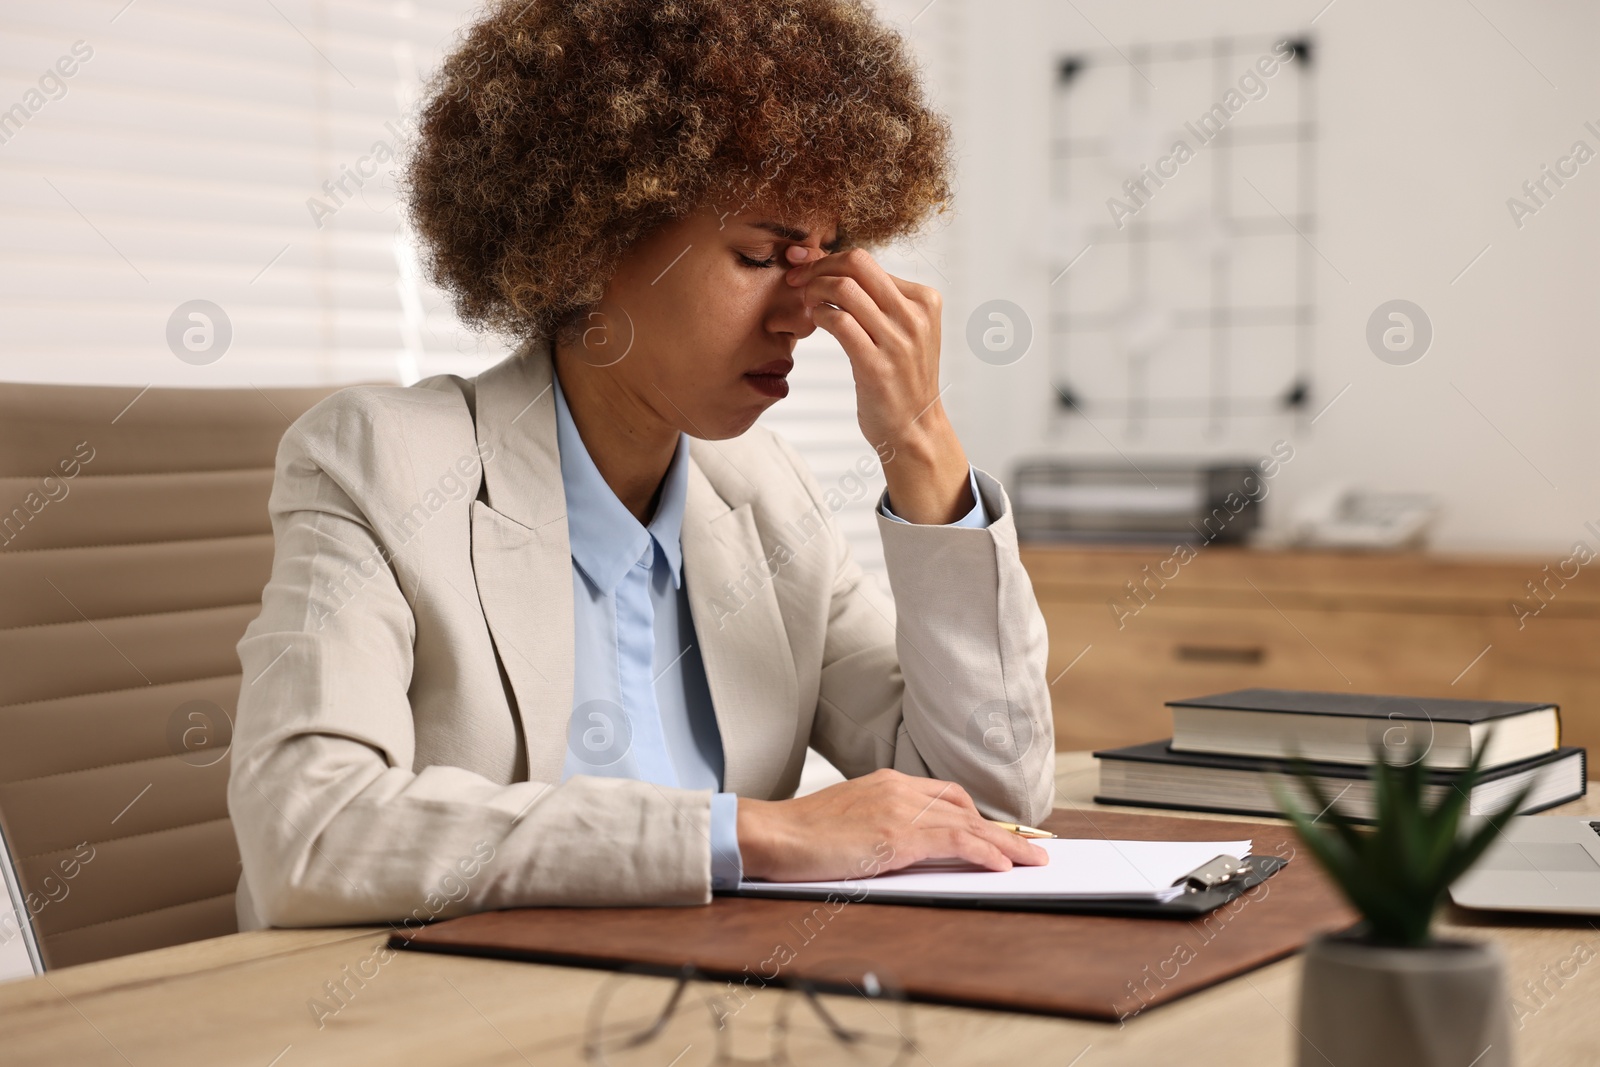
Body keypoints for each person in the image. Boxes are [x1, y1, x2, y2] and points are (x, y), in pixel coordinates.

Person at [227, 0, 1055, 931]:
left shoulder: (768, 499)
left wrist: (921, 440)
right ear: (591, 237)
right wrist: (750, 833)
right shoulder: (382, 464)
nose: (803, 316)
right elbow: (308, 828)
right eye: (757, 256)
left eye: (822, 263)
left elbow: (989, 799)